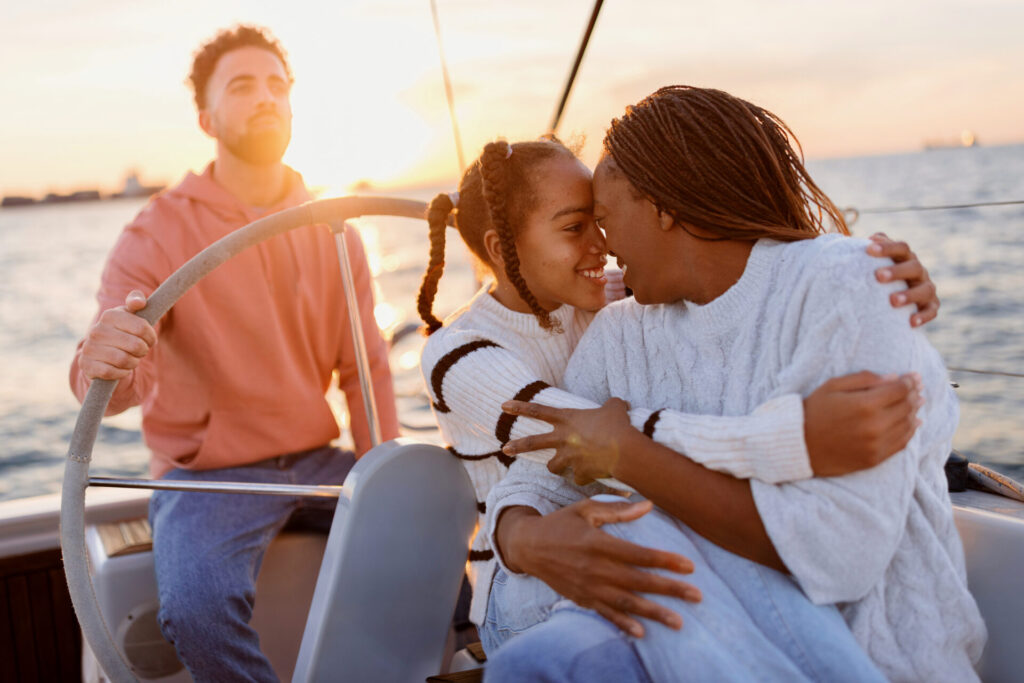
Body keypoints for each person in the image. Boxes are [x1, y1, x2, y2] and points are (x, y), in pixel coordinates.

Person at [489, 86, 985, 682]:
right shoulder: (620, 332)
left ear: (662, 206)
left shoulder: (846, 284)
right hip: (699, 635)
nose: (605, 243)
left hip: (873, 653)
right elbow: (539, 480)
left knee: (626, 556)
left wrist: (631, 454)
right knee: (537, 661)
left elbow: (840, 555)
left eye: (605, 216)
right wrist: (524, 539)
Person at [415, 137, 941, 650]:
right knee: (688, 546)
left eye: (601, 222)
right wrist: (792, 436)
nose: (602, 245)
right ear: (500, 249)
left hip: (612, 528)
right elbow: (584, 437)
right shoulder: (457, 353)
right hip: (527, 575)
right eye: (576, 228)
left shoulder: (597, 298)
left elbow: (717, 270)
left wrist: (870, 275)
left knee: (693, 544)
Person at [69, 25, 399, 681]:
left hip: (317, 461)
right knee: (196, 610)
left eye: (278, 85)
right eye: (243, 86)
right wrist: (106, 354)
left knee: (435, 541)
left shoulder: (333, 226)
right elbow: (110, 382)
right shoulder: (158, 231)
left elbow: (366, 372)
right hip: (206, 478)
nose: (266, 97)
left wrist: (384, 476)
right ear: (206, 116)